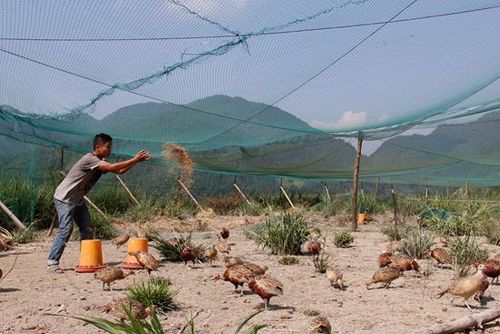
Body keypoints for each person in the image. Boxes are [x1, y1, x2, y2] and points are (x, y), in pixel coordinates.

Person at [47, 133, 151, 273]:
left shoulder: (100, 162)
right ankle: (52, 262)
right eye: (107, 147)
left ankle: (86, 259)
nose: (110, 150)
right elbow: (114, 167)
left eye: (110, 147)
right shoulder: (90, 159)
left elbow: (119, 171)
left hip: (77, 199)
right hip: (65, 198)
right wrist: (135, 159)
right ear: (98, 147)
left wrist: (136, 162)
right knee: (66, 228)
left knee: (87, 229)